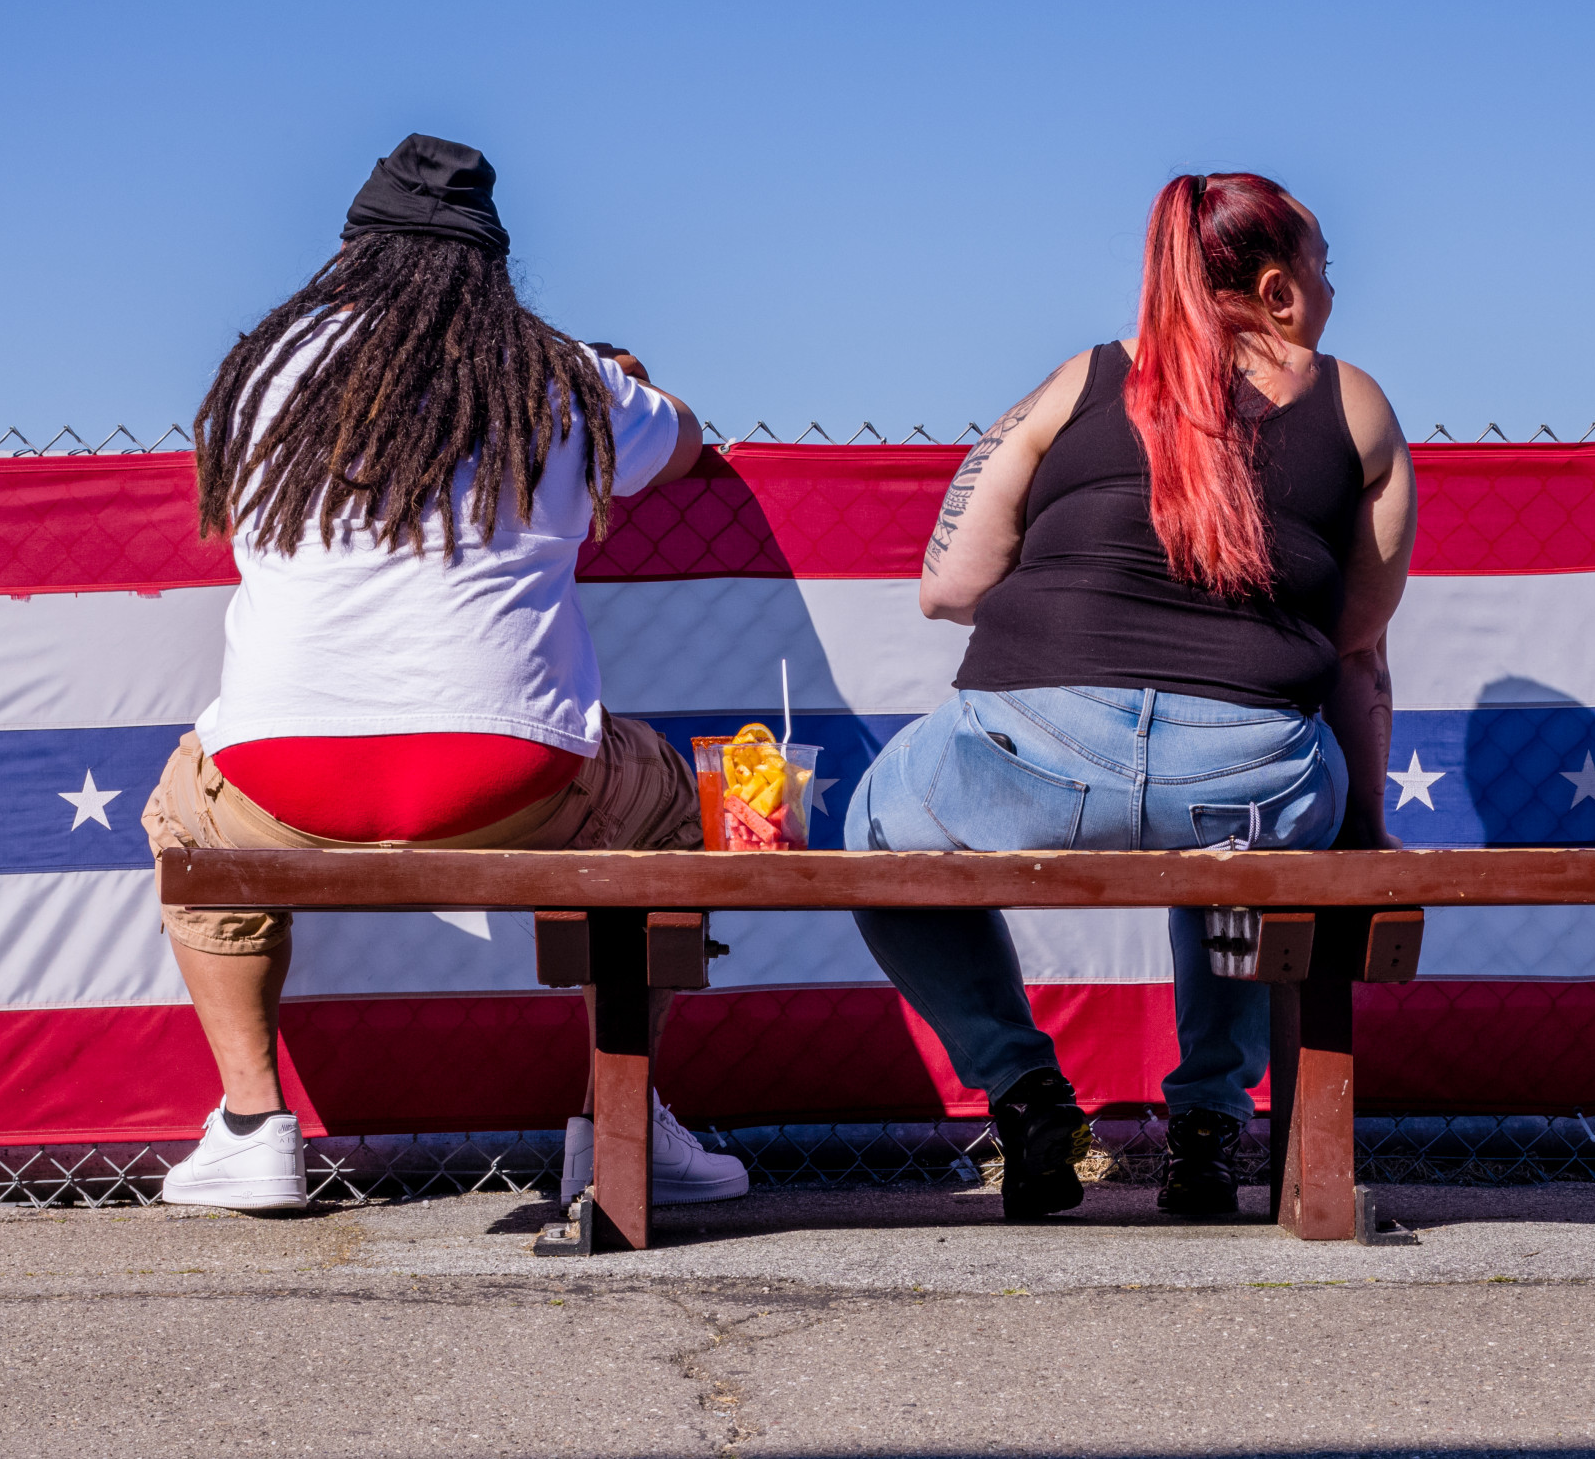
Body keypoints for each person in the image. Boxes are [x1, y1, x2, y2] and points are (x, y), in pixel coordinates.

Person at [142, 134, 748, 1211]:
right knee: (669, 802)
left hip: (283, 788)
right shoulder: (564, 373)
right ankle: (620, 1128)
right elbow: (692, 442)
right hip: (515, 783)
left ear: (349, 254)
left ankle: (250, 1128)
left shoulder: (262, 373)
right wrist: (627, 380)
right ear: (492, 268)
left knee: (184, 809)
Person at [845, 172, 1416, 1220]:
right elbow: (1356, 656)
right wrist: (1368, 830)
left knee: (874, 831)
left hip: (1028, 755)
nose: (1335, 291)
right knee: (1243, 860)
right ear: (1280, 292)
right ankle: (1209, 1125)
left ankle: (1023, 1088)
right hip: (1250, 779)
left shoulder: (1081, 379)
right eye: (1327, 269)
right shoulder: (1356, 404)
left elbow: (950, 588)